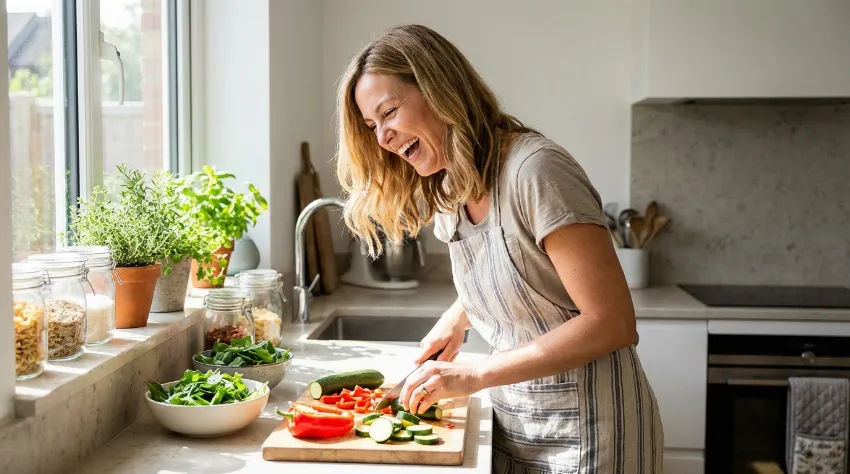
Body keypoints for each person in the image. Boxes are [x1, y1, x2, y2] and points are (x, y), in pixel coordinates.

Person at [334, 24, 663, 473]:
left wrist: (473, 375)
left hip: (593, 436)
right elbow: (515, 266)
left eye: (389, 112)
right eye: (372, 126)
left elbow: (612, 322)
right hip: (515, 428)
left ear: (439, 89)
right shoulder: (450, 186)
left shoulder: (536, 171)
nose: (382, 139)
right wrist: (457, 316)